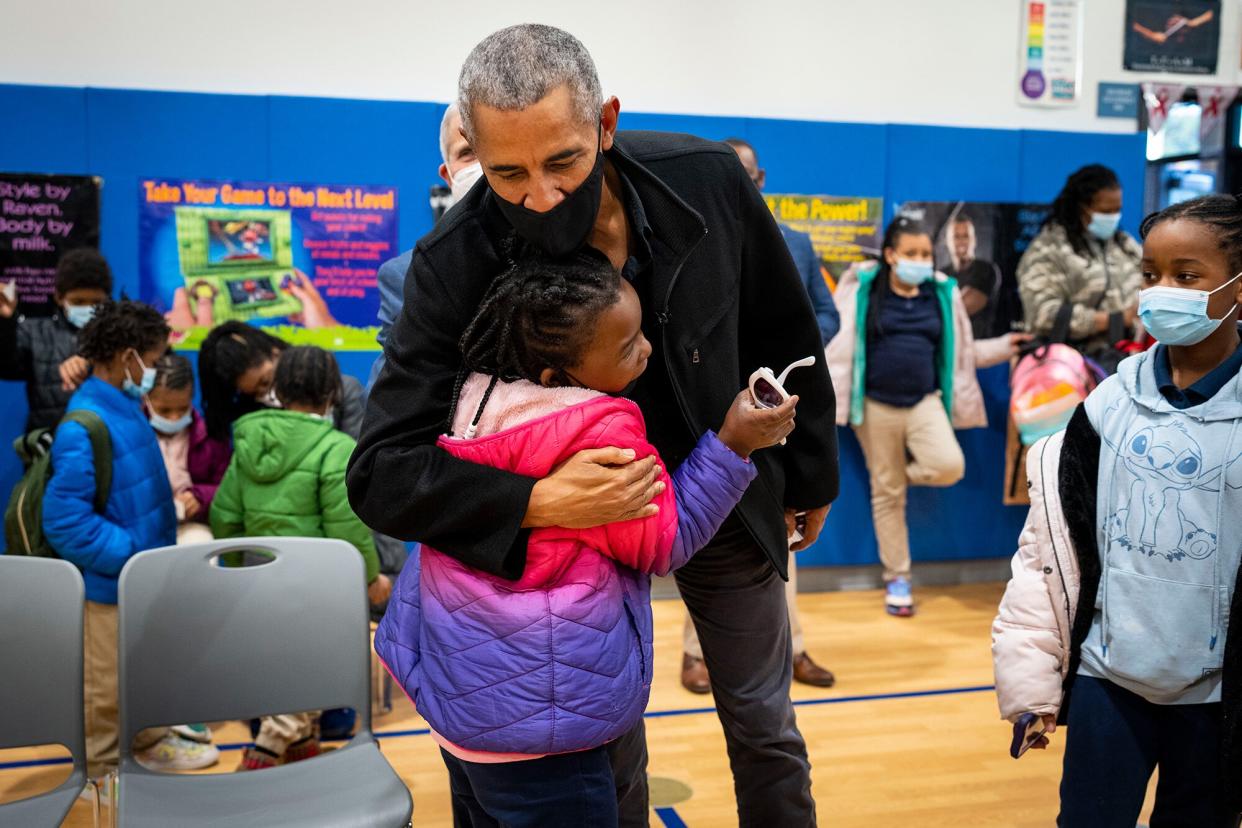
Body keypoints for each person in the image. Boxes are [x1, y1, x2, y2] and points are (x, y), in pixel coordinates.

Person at [351, 24, 837, 826]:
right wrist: (537, 502)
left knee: (762, 722)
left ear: (606, 123)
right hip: (584, 547)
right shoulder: (450, 263)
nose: (539, 196)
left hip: (725, 497)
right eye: (506, 173)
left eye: (564, 162)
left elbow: (785, 327)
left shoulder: (707, 179)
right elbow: (382, 471)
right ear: (469, 148)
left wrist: (812, 474)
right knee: (609, 743)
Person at [377, 247, 793, 825]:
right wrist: (734, 442)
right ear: (559, 376)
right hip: (549, 720)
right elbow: (665, 539)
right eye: (628, 347)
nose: (647, 349)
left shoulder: (469, 394)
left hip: (464, 710)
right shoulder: (599, 434)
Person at [992, 194, 1242, 826]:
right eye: (1151, 274)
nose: (1163, 291)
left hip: (1215, 699)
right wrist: (1031, 683)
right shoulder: (1107, 405)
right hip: (1111, 681)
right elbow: (1047, 554)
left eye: (1187, 276)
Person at [680, 137, 838, 693]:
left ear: (761, 178)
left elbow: (819, 315)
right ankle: (695, 653)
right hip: (715, 418)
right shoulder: (687, 239)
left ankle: (792, 648)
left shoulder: (794, 243)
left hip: (778, 406)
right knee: (707, 529)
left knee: (781, 532)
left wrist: (792, 355)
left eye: (746, 175)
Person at [42, 300, 219, 778]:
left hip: (135, 581)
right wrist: (131, 555)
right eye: (154, 357)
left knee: (136, 674)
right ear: (127, 357)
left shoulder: (119, 406)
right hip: (108, 586)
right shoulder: (85, 422)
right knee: (106, 688)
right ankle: (101, 777)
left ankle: (144, 742)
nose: (157, 368)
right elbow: (64, 521)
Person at [827, 217, 1021, 616]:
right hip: (874, 406)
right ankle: (897, 578)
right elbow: (836, 347)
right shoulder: (865, 290)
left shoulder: (942, 294)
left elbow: (964, 353)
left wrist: (1005, 346)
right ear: (891, 255)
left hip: (924, 402)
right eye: (911, 253)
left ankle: (895, 474)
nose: (920, 261)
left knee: (948, 465)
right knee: (888, 496)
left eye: (926, 254)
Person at [210, 345, 390, 771]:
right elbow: (346, 528)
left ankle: (303, 750)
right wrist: (369, 577)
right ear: (333, 394)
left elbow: (224, 515)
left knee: (280, 666)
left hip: (257, 581)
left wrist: (241, 572)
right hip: (316, 588)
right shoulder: (334, 446)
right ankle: (267, 750)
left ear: (275, 387)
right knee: (313, 667)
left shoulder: (249, 438)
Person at [367, 103, 481, 392]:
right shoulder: (407, 274)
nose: (483, 164)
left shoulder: (564, 249)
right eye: (468, 153)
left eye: (491, 149)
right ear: (447, 174)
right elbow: (390, 396)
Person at [1018, 165, 1143, 372]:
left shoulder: (1123, 244)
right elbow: (1042, 314)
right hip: (1069, 370)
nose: (1113, 217)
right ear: (1082, 207)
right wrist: (1115, 321)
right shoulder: (1049, 249)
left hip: (1123, 363)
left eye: (1117, 210)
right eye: (1105, 211)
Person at [0, 248, 112, 432]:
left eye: (96, 302)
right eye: (78, 301)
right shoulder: (34, 332)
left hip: (103, 443)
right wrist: (4, 322)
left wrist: (92, 362)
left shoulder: (116, 336)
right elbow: (7, 368)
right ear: (59, 297)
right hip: (48, 443)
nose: (88, 308)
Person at [145, 352, 230, 544]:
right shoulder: (133, 432)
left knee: (198, 547)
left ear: (192, 397)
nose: (174, 418)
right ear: (145, 398)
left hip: (191, 524)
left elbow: (228, 486)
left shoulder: (212, 435)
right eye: (164, 410)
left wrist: (200, 497)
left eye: (182, 409)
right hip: (145, 523)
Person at [943, 213, 1003, 339]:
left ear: (973, 240)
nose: (961, 241)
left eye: (966, 236)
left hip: (980, 348)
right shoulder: (942, 274)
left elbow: (960, 309)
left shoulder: (986, 270)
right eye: (956, 236)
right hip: (949, 347)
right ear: (947, 241)